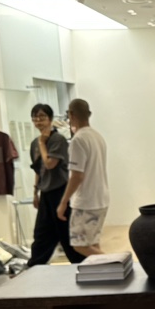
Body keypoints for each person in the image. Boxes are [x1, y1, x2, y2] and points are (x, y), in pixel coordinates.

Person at [27, 103, 84, 266]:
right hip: (45, 193)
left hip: (60, 192)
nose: (38, 120)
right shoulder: (35, 143)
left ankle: (82, 265)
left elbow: (50, 164)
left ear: (50, 119)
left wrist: (43, 144)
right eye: (35, 117)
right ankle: (34, 266)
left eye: (42, 116)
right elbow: (38, 170)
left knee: (66, 234)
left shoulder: (57, 139)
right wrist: (35, 192)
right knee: (42, 233)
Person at [57, 98, 109, 256]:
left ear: (71, 115)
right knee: (92, 243)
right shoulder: (97, 137)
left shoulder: (78, 140)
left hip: (86, 202)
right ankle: (106, 270)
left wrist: (63, 202)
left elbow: (77, 176)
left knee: (80, 246)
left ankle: (117, 264)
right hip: (101, 198)